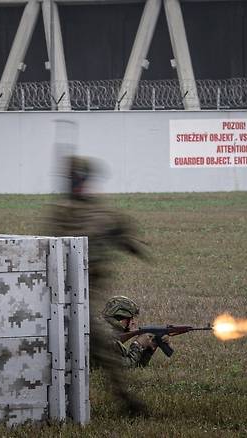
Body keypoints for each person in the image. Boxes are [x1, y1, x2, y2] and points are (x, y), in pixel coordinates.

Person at [44, 156, 149, 415]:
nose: (78, 186)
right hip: (60, 291)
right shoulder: (61, 212)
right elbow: (47, 246)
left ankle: (126, 401)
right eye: (74, 181)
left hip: (89, 291)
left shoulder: (101, 211)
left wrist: (127, 242)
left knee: (100, 346)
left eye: (81, 180)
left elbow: (126, 234)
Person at [102, 296, 162, 368]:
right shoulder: (107, 338)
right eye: (131, 318)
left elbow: (138, 366)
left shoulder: (103, 332)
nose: (133, 322)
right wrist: (137, 344)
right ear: (120, 318)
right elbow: (126, 367)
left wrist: (148, 349)